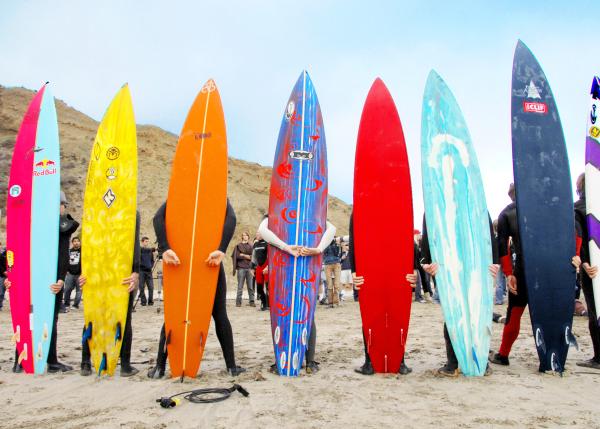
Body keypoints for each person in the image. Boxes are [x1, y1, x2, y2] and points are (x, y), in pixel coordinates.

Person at [148, 199, 245, 378]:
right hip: (209, 260)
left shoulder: (183, 193)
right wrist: (221, 249)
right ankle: (231, 367)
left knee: (174, 314)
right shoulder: (216, 194)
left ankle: (159, 368)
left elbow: (157, 218)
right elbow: (231, 218)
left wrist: (165, 248)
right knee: (220, 314)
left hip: (181, 263)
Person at [489, 183, 579, 370]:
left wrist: (508, 274)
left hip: (523, 268)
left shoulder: (506, 213)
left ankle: (503, 355)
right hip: (550, 269)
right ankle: (549, 360)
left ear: (511, 195)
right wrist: (575, 256)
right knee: (548, 315)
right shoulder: (549, 207)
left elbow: (502, 246)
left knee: (515, 312)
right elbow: (575, 231)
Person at [7, 192, 78, 373]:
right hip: (49, 282)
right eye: (63, 204)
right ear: (58, 205)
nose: (64, 208)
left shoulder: (30, 224)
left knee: (26, 318)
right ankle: (51, 362)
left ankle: (20, 361)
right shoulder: (60, 227)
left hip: (30, 280)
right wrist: (61, 279)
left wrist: (13, 277)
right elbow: (63, 256)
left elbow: (15, 252)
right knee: (49, 320)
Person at [421, 213, 499, 377]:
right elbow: (428, 234)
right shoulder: (434, 196)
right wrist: (425, 261)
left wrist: (495, 262)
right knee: (453, 314)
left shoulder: (475, 195)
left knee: (476, 312)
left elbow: (488, 233)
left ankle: (480, 361)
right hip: (446, 267)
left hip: (477, 266)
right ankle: (454, 362)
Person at [257, 216, 336, 374]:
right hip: (283, 267)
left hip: (304, 266)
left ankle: (310, 360)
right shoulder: (274, 213)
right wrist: (286, 247)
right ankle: (284, 359)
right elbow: (262, 230)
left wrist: (319, 249)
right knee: (282, 313)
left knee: (307, 314)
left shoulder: (312, 213)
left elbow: (331, 229)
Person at [348, 212, 416, 375]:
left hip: (397, 269)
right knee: (372, 314)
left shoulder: (398, 205)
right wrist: (355, 271)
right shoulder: (360, 209)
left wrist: (412, 268)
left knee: (396, 313)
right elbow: (354, 241)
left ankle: (398, 360)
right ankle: (370, 361)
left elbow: (407, 240)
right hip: (369, 268)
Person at [79, 212, 141, 377]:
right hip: (97, 272)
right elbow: (88, 239)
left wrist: (135, 271)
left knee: (123, 318)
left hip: (121, 272)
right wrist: (83, 271)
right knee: (93, 317)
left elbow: (134, 243)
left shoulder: (131, 210)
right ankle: (86, 362)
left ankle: (124, 364)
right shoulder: (97, 206)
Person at [573, 173, 600, 369]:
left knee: (594, 310)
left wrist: (583, 263)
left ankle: (599, 357)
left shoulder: (577, 208)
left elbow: (578, 237)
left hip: (590, 267)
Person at [232, 232, 255, 307]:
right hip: (241, 268)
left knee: (250, 286)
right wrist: (248, 256)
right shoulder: (238, 246)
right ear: (242, 237)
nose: (245, 237)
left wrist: (244, 255)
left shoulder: (251, 245)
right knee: (240, 286)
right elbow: (237, 256)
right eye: (243, 235)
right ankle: (238, 302)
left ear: (248, 236)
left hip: (249, 268)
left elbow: (253, 257)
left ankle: (252, 302)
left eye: (246, 235)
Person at [251, 231, 269, 311]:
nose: (257, 235)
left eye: (259, 234)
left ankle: (269, 305)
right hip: (259, 267)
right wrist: (251, 268)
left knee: (269, 287)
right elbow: (254, 256)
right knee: (259, 288)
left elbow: (270, 256)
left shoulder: (267, 243)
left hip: (267, 267)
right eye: (256, 234)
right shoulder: (255, 244)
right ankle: (264, 303)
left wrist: (268, 267)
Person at [63, 236, 82, 310]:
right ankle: (66, 304)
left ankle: (75, 305)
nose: (76, 242)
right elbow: (66, 261)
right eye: (74, 241)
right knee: (67, 289)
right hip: (70, 273)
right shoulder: (69, 251)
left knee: (79, 290)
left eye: (78, 241)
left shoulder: (83, 251)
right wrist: (66, 270)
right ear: (72, 243)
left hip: (80, 274)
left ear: (80, 242)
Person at [323, 237, 342, 308]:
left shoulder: (336, 245)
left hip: (336, 264)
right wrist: (327, 243)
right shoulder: (325, 244)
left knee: (336, 284)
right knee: (329, 284)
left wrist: (336, 244)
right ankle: (330, 303)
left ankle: (336, 302)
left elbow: (337, 254)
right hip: (327, 264)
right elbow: (324, 253)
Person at [139, 236, 155, 306]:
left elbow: (152, 260)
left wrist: (150, 266)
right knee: (141, 287)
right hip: (141, 271)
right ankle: (143, 301)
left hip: (149, 271)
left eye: (148, 241)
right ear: (142, 242)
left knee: (151, 287)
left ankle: (150, 301)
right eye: (146, 241)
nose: (147, 243)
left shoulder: (149, 251)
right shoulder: (139, 250)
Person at [0, 243, 6, 311]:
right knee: (1, 292)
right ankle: (0, 305)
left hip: (11, 275)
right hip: (2, 275)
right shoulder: (2, 254)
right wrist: (4, 272)